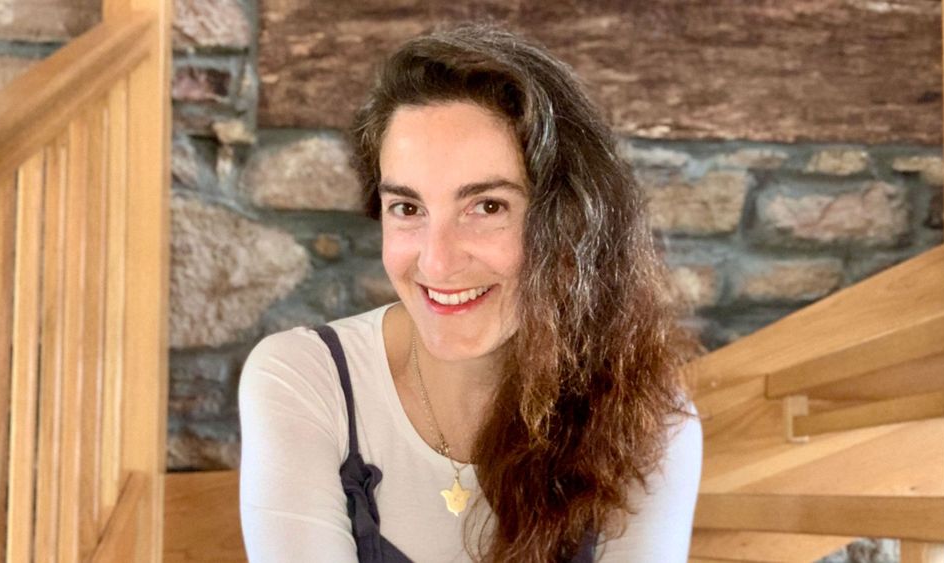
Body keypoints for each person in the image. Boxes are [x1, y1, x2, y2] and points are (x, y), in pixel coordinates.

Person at [238, 23, 703, 563]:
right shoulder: (304, 380)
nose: (436, 261)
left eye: (486, 207)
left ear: (568, 220)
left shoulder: (649, 422)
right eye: (408, 209)